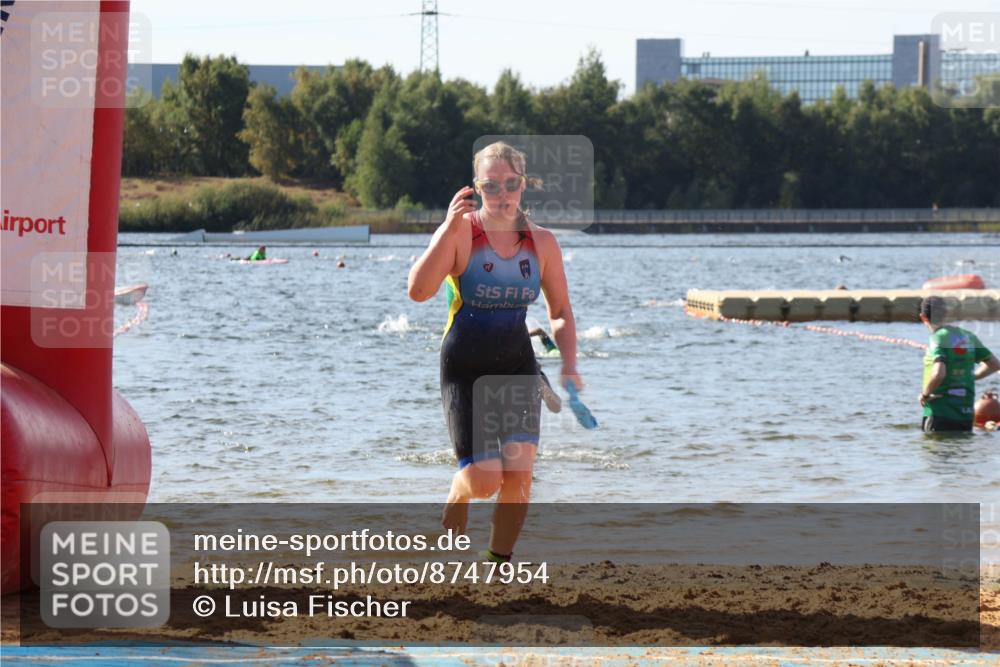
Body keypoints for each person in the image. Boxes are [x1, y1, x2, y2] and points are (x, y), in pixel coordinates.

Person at [407, 141, 581, 563]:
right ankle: (458, 491)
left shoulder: (542, 244)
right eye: (491, 186)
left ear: (523, 185)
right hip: (464, 368)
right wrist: (448, 229)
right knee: (485, 481)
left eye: (511, 184)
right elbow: (418, 291)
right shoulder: (460, 233)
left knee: (519, 477)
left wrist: (570, 364)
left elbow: (559, 311)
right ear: (476, 188)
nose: (502, 194)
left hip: (517, 365)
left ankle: (497, 565)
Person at [918, 295, 1000, 433]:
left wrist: (925, 394)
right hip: (966, 415)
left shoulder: (937, 338)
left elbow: (938, 373)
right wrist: (969, 377)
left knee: (934, 451)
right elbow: (994, 364)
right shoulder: (967, 336)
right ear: (946, 314)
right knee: (961, 452)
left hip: (940, 413)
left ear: (923, 317)